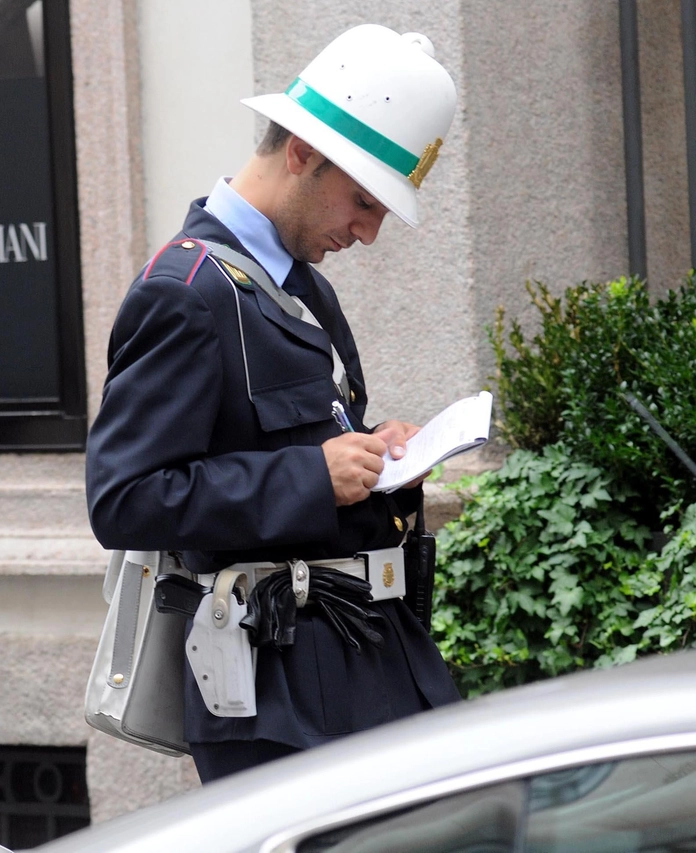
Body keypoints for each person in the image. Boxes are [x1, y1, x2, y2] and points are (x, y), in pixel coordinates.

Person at [85, 24, 461, 783]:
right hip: (277, 686)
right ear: (300, 152)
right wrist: (312, 476)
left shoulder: (298, 283)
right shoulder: (184, 294)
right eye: (362, 200)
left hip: (358, 657)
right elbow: (124, 498)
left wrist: (375, 454)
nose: (369, 230)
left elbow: (298, 445)